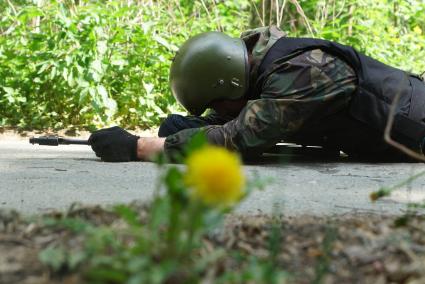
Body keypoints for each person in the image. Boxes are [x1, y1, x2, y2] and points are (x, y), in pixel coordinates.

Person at [89, 26, 425, 162]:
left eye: (217, 105)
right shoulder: (266, 71)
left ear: (231, 84)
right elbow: (237, 115)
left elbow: (242, 138)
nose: (219, 113)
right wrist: (191, 127)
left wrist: (141, 147)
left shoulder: (305, 71)